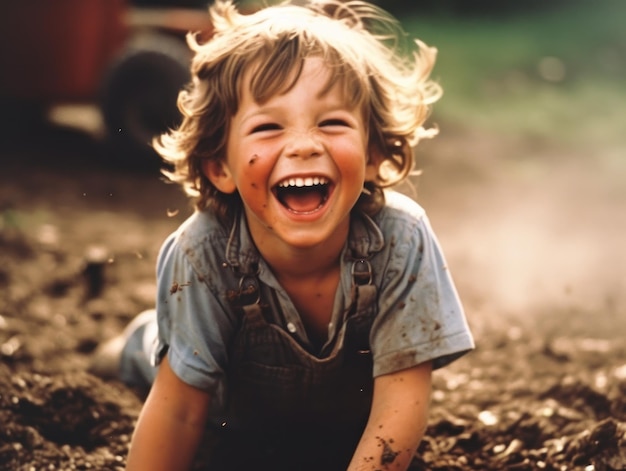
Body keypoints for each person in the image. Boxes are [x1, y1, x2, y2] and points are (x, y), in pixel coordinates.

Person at [91, 1, 474, 469]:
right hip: (229, 416)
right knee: (147, 356)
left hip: (339, 429)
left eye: (332, 123)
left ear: (373, 152)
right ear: (220, 167)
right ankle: (131, 344)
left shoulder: (400, 241)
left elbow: (399, 408)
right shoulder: (201, 253)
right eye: (269, 127)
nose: (304, 145)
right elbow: (178, 409)